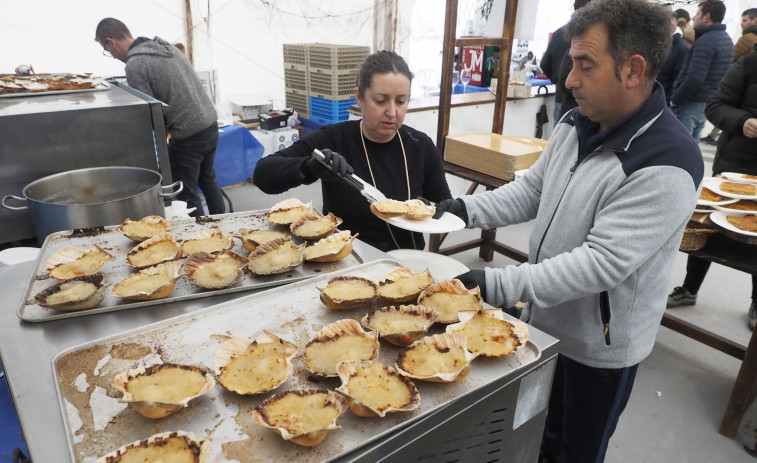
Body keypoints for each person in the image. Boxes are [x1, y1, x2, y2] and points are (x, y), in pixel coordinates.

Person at [434, 0, 703, 461]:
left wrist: (493, 284)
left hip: (599, 348)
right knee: (535, 435)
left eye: (585, 65)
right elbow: (532, 191)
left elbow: (600, 264)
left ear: (633, 69)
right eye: (571, 62)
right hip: (542, 322)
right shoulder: (576, 122)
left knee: (576, 452)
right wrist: (460, 210)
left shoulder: (667, 162)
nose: (569, 79)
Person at [253, 51, 451, 252]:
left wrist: (428, 209)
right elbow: (263, 175)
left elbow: (446, 205)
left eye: (401, 101)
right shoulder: (334, 138)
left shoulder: (420, 145)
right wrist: (308, 168)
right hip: (343, 257)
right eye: (381, 101)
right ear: (359, 98)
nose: (392, 112)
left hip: (406, 260)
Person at [94, 18, 225, 217]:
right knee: (208, 180)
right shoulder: (166, 48)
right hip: (209, 124)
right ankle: (222, 225)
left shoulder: (135, 64)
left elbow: (149, 112)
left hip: (188, 135)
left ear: (111, 42)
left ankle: (202, 240)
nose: (111, 56)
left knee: (187, 193)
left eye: (107, 50)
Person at [668, 43, 757, 329]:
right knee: (706, 227)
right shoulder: (749, 64)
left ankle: (756, 302)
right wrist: (743, 122)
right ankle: (689, 288)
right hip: (736, 166)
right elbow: (715, 106)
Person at [670, 0, 734, 142]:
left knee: (679, 147)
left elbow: (694, 78)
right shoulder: (726, 40)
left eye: (698, 13)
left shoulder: (706, 42)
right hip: (706, 103)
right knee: (692, 146)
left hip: (690, 102)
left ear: (706, 17)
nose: (693, 17)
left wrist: (675, 100)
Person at [701, 8, 757, 145]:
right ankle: (714, 135)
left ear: (755, 20)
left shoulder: (748, 38)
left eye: (745, 20)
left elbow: (734, 56)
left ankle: (714, 135)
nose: (741, 24)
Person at [540, 0, 593, 125]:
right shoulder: (589, 36)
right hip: (573, 100)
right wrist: (560, 80)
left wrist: (557, 79)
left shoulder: (559, 32)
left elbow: (545, 64)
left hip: (563, 97)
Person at [658, 11, 690, 105]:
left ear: (671, 26)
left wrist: (667, 101)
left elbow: (677, 79)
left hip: (661, 100)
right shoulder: (657, 42)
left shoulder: (681, 50)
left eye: (660, 24)